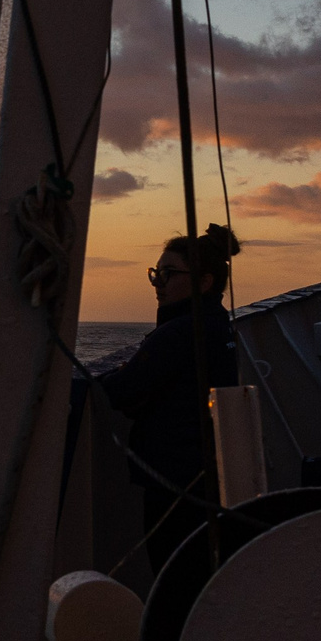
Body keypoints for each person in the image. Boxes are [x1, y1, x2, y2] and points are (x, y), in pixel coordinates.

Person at [95, 222, 242, 572]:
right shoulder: (218, 324)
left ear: (203, 282)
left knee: (175, 572)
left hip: (176, 482)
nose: (158, 283)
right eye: (155, 273)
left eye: (168, 273)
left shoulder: (178, 333)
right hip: (202, 477)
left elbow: (123, 391)